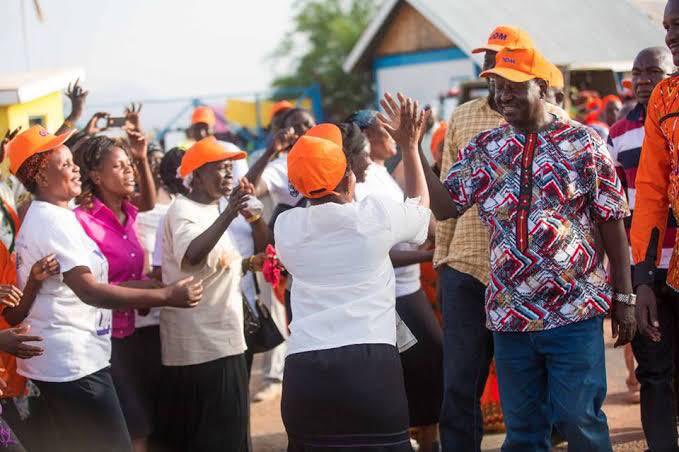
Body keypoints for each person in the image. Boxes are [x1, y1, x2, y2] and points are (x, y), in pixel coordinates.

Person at [400, 45, 635, 451]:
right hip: (510, 317)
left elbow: (612, 224)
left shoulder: (583, 144)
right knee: (524, 432)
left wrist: (625, 296)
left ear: (541, 87)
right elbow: (446, 205)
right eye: (495, 85)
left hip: (572, 311)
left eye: (512, 86)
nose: (501, 95)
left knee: (580, 421)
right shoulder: (487, 148)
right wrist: (415, 148)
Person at [5, 125, 203, 452]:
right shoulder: (53, 221)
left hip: (69, 359)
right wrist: (167, 297)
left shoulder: (54, 215)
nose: (75, 169)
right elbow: (90, 291)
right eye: (65, 164)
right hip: (71, 363)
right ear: (41, 178)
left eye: (73, 162)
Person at [435, 25, 568, 451]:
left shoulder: (559, 125)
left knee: (527, 389)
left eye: (501, 57)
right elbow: (445, 194)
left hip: (527, 280)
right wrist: (442, 259)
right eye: (489, 58)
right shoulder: (463, 117)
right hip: (467, 272)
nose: (491, 66)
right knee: (460, 384)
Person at [275, 106, 431, 451]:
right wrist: (410, 146)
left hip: (305, 373)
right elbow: (423, 214)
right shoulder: (374, 216)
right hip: (370, 371)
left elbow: (316, 207)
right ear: (348, 178)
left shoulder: (285, 227)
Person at [157, 136, 264, 452]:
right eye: (221, 167)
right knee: (218, 438)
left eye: (231, 166)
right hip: (202, 348)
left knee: (230, 433)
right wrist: (229, 214)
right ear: (198, 173)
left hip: (222, 340)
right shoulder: (183, 210)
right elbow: (191, 256)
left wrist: (246, 263)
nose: (230, 174)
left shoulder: (209, 209)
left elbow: (212, 266)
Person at [346, 109, 442, 450]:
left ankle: (426, 440)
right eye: (385, 130)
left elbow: (419, 210)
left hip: (408, 286)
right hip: (391, 294)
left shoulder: (382, 173)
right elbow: (375, 253)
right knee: (413, 369)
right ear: (367, 135)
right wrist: (429, 254)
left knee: (429, 364)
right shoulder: (361, 184)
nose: (392, 134)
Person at [72, 130, 161, 452]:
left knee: (140, 422)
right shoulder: (82, 221)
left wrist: (141, 157)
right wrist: (147, 290)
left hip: (131, 333)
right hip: (101, 337)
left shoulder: (128, 212)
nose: (129, 171)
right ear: (95, 176)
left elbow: (148, 201)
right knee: (132, 427)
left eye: (130, 165)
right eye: (119, 166)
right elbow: (87, 287)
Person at [607, 47, 675, 412]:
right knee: (653, 364)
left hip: (675, 259)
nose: (644, 79)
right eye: (637, 72)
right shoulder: (618, 134)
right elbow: (615, 205)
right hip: (643, 264)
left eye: (653, 71)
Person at [630, 1, 679, 449]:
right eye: (666, 27)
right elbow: (650, 190)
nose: (670, 35)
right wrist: (642, 277)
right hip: (671, 271)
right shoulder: (664, 98)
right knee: (659, 374)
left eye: (678, 25)